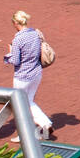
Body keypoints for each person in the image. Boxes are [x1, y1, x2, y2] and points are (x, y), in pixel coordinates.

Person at [4, 10, 52, 141]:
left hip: (22, 76)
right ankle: (43, 123)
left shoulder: (18, 39)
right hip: (36, 73)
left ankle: (28, 132)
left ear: (15, 23)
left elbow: (16, 60)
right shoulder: (35, 33)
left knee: (20, 104)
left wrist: (8, 54)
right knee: (29, 101)